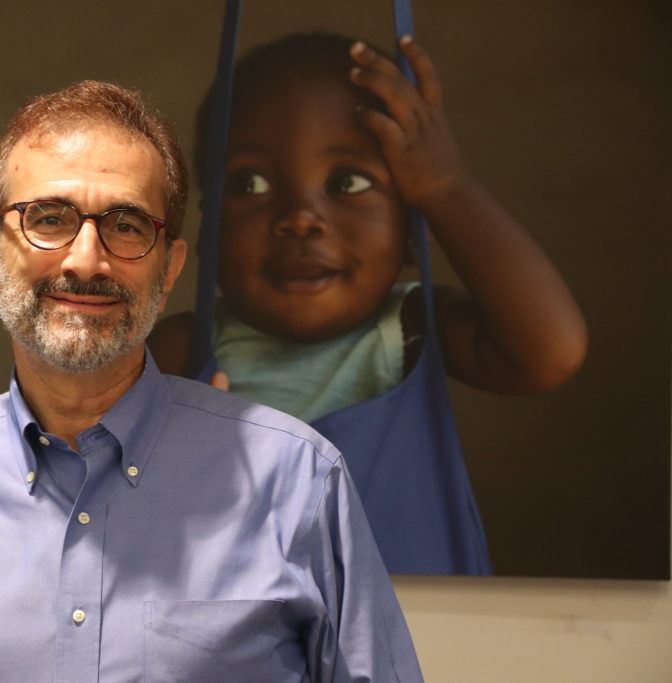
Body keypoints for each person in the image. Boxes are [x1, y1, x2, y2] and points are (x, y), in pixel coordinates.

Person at [0, 80, 423, 681]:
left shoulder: (297, 483)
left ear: (170, 265)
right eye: (48, 218)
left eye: (126, 225)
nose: (86, 260)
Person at [150, 33, 588, 575]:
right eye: (251, 182)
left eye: (348, 181)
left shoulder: (414, 329)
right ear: (209, 227)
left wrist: (445, 187)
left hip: (427, 645)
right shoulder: (181, 353)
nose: (300, 217)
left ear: (412, 232)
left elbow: (553, 351)